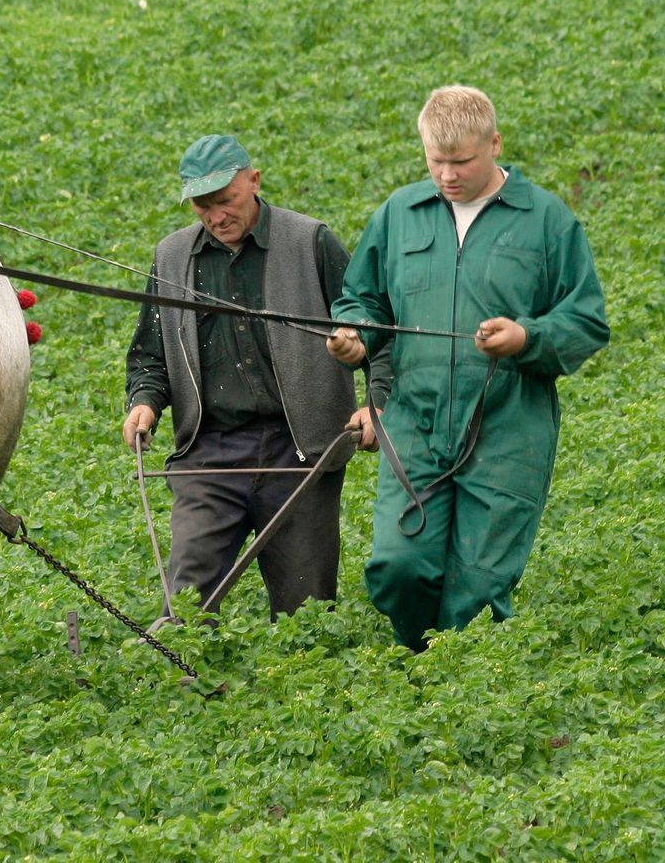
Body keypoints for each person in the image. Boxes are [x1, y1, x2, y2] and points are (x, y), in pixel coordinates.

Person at [326, 87, 608, 650]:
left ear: (495, 144)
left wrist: (527, 337)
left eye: (462, 162)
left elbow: (586, 321)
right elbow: (362, 300)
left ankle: (459, 687)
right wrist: (357, 338)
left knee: (478, 584)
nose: (448, 176)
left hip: (508, 425)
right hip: (415, 421)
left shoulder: (546, 220)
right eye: (436, 161)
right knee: (398, 564)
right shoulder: (399, 216)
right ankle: (421, 660)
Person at [124, 134, 390, 617]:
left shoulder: (309, 242)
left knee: (304, 614)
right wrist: (144, 400)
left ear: (254, 181)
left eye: (226, 201)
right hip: (210, 452)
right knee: (185, 602)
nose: (216, 216)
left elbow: (373, 324)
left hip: (301, 449)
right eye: (203, 206)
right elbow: (150, 354)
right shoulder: (171, 257)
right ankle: (183, 680)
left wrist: (375, 400)